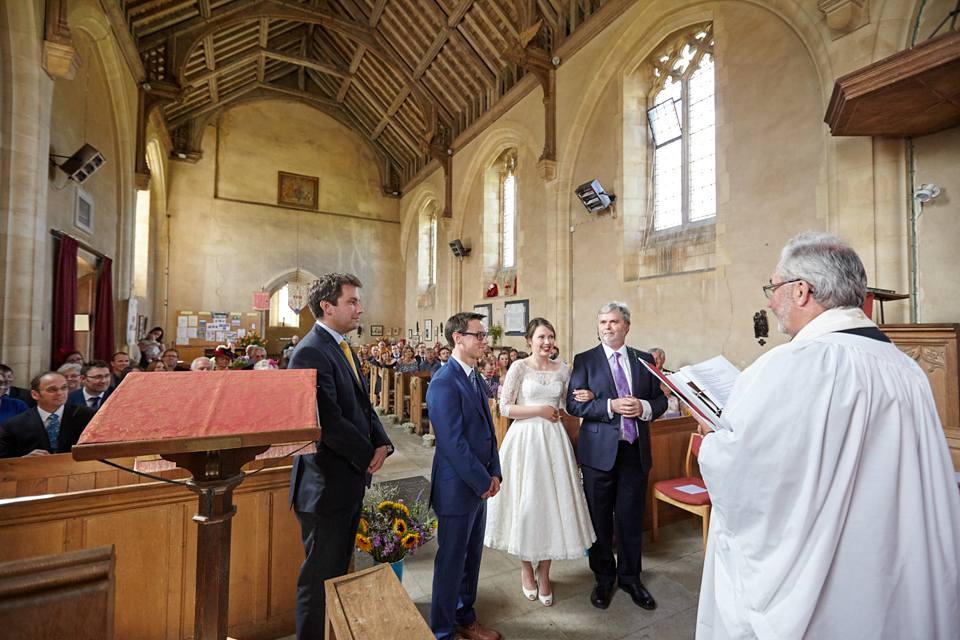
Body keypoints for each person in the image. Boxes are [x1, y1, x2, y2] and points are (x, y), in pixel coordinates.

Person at [695, 232, 960, 640]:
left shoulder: (796, 362)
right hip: (897, 559)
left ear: (802, 290)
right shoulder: (905, 367)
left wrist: (711, 441)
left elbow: (748, 474)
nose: (770, 301)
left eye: (774, 287)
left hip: (826, 578)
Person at [288, 273, 392, 640]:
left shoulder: (341, 346)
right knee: (318, 580)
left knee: (336, 573)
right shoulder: (311, 351)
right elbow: (327, 420)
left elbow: (362, 405)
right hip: (325, 486)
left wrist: (382, 442)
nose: (360, 308)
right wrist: (367, 455)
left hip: (345, 481)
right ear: (326, 306)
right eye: (352, 302)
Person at [485, 318, 596, 606]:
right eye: (541, 337)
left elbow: (568, 405)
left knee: (550, 504)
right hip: (525, 440)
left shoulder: (563, 369)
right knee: (527, 502)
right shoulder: (519, 367)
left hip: (554, 442)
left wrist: (589, 396)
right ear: (529, 340)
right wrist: (539, 410)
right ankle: (526, 570)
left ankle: (544, 573)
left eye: (551, 337)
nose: (547, 342)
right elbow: (505, 407)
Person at [565, 301, 667, 611]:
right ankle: (603, 578)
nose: (608, 327)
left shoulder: (644, 359)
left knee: (630, 518)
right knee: (599, 519)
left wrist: (644, 408)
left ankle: (631, 577)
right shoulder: (585, 360)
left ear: (626, 326)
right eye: (602, 322)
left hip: (634, 452)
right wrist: (609, 405)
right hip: (598, 454)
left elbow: (660, 400)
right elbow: (574, 405)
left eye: (613, 322)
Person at [426, 312, 502, 640]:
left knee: (471, 560)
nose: (485, 341)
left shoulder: (474, 376)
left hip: (478, 485)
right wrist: (483, 481)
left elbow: (487, 431)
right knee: (452, 563)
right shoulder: (444, 381)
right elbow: (453, 443)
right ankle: (443, 631)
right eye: (479, 335)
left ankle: (465, 618)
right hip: (458, 487)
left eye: (484, 336)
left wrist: (494, 473)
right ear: (458, 338)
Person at [0, 372, 95, 457]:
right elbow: (5, 461)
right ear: (35, 394)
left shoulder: (88, 416)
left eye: (64, 388)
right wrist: (24, 460)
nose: (60, 393)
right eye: (52, 389)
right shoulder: (14, 424)